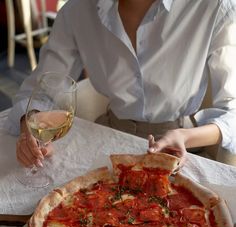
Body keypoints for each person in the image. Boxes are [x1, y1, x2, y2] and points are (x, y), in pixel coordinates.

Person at [5, 0, 236, 168]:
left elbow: (233, 112)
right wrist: (30, 126)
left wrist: (185, 136)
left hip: (182, 151)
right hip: (108, 143)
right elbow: (41, 91)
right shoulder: (77, 11)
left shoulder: (214, 7)